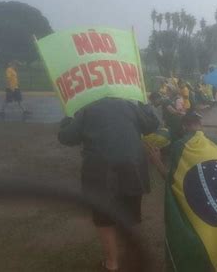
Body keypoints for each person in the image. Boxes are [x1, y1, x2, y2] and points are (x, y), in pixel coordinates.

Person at [58, 98, 159, 271]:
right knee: (130, 216)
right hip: (132, 168)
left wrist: (67, 120)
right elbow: (151, 125)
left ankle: (112, 263)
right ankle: (132, 257)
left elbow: (66, 137)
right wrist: (146, 107)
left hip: (99, 173)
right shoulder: (128, 105)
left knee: (104, 220)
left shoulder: (87, 108)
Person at [146, 112, 217, 272]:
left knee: (202, 239)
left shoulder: (179, 147)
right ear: (201, 124)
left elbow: (172, 182)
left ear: (183, 127)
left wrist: (157, 161)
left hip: (203, 230)